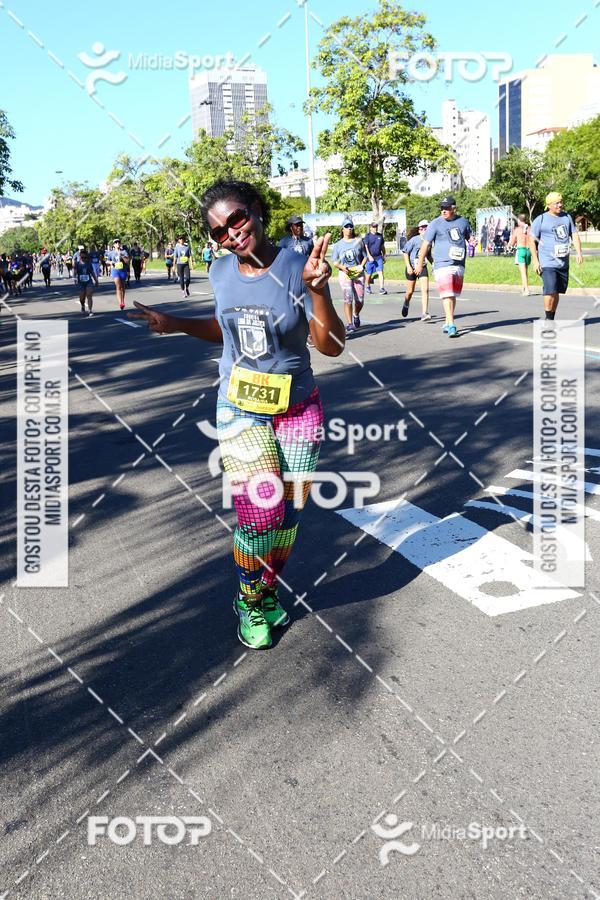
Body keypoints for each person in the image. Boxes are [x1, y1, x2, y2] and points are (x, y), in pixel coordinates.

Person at [129, 179, 345, 650]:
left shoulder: (299, 267)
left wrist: (319, 290)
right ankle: (248, 600)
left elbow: (331, 346)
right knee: (261, 513)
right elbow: (226, 330)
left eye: (237, 219)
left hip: (298, 409)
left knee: (289, 513)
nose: (232, 233)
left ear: (257, 211)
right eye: (219, 231)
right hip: (240, 406)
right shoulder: (220, 270)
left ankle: (266, 592)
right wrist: (175, 324)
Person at [415, 196, 472, 338]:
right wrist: (420, 263)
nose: (443, 211)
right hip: (442, 264)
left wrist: (473, 241)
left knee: (453, 294)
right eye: (442, 208)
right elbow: (426, 245)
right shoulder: (435, 223)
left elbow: (469, 236)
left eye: (446, 208)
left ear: (454, 208)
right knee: (447, 293)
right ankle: (452, 324)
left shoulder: (463, 221)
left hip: (458, 263)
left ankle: (447, 321)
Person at [530, 192, 583, 320]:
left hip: (563, 262)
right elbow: (531, 241)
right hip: (547, 262)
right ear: (549, 205)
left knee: (557, 291)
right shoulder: (541, 219)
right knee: (550, 289)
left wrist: (579, 252)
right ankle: (548, 319)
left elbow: (574, 235)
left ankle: (551, 318)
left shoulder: (567, 217)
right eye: (557, 203)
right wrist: (535, 260)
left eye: (561, 202)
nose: (560, 205)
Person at [331, 217, 367, 334]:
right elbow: (335, 261)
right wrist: (343, 268)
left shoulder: (358, 242)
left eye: (351, 226)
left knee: (360, 300)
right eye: (346, 227)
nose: (349, 228)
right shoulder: (338, 245)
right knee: (348, 299)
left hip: (358, 272)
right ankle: (350, 324)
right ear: (342, 229)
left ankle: (356, 314)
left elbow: (365, 256)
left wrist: (361, 266)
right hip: (345, 273)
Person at [402, 221, 431, 321]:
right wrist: (408, 267)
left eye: (426, 228)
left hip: (422, 267)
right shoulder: (414, 240)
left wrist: (434, 264)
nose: (424, 230)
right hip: (412, 267)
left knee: (425, 289)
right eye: (422, 228)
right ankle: (406, 303)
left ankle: (424, 313)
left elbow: (428, 255)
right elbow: (405, 252)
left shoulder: (429, 241)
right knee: (410, 291)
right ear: (419, 230)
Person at [509, 214, 532, 295]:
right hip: (528, 250)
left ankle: (527, 290)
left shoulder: (517, 229)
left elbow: (512, 242)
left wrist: (509, 244)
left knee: (523, 272)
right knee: (526, 270)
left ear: (519, 220)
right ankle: (523, 287)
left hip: (521, 250)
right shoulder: (530, 229)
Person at [363, 222, 387, 295]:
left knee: (380, 272)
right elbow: (366, 247)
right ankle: (368, 287)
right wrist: (369, 256)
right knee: (369, 274)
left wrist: (384, 255)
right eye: (373, 227)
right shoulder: (367, 236)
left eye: (376, 227)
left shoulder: (380, 236)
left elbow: (382, 246)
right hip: (370, 258)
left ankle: (381, 288)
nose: (375, 228)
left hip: (378, 257)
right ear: (370, 228)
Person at [106, 239, 129, 310]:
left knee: (123, 287)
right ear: (114, 245)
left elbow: (127, 261)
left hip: (123, 270)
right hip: (115, 271)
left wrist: (122, 256)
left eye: (118, 242)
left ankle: (122, 300)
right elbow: (107, 261)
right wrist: (111, 263)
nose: (117, 243)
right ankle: (120, 303)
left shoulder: (124, 252)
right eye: (116, 242)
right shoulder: (111, 253)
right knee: (118, 286)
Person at [74, 248, 98, 316]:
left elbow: (92, 272)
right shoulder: (77, 264)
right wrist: (75, 279)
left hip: (88, 282)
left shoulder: (89, 264)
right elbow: (75, 272)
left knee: (89, 295)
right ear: (80, 257)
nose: (84, 259)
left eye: (85, 257)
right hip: (81, 282)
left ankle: (90, 310)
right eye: (82, 257)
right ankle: (82, 305)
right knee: (81, 297)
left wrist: (96, 280)